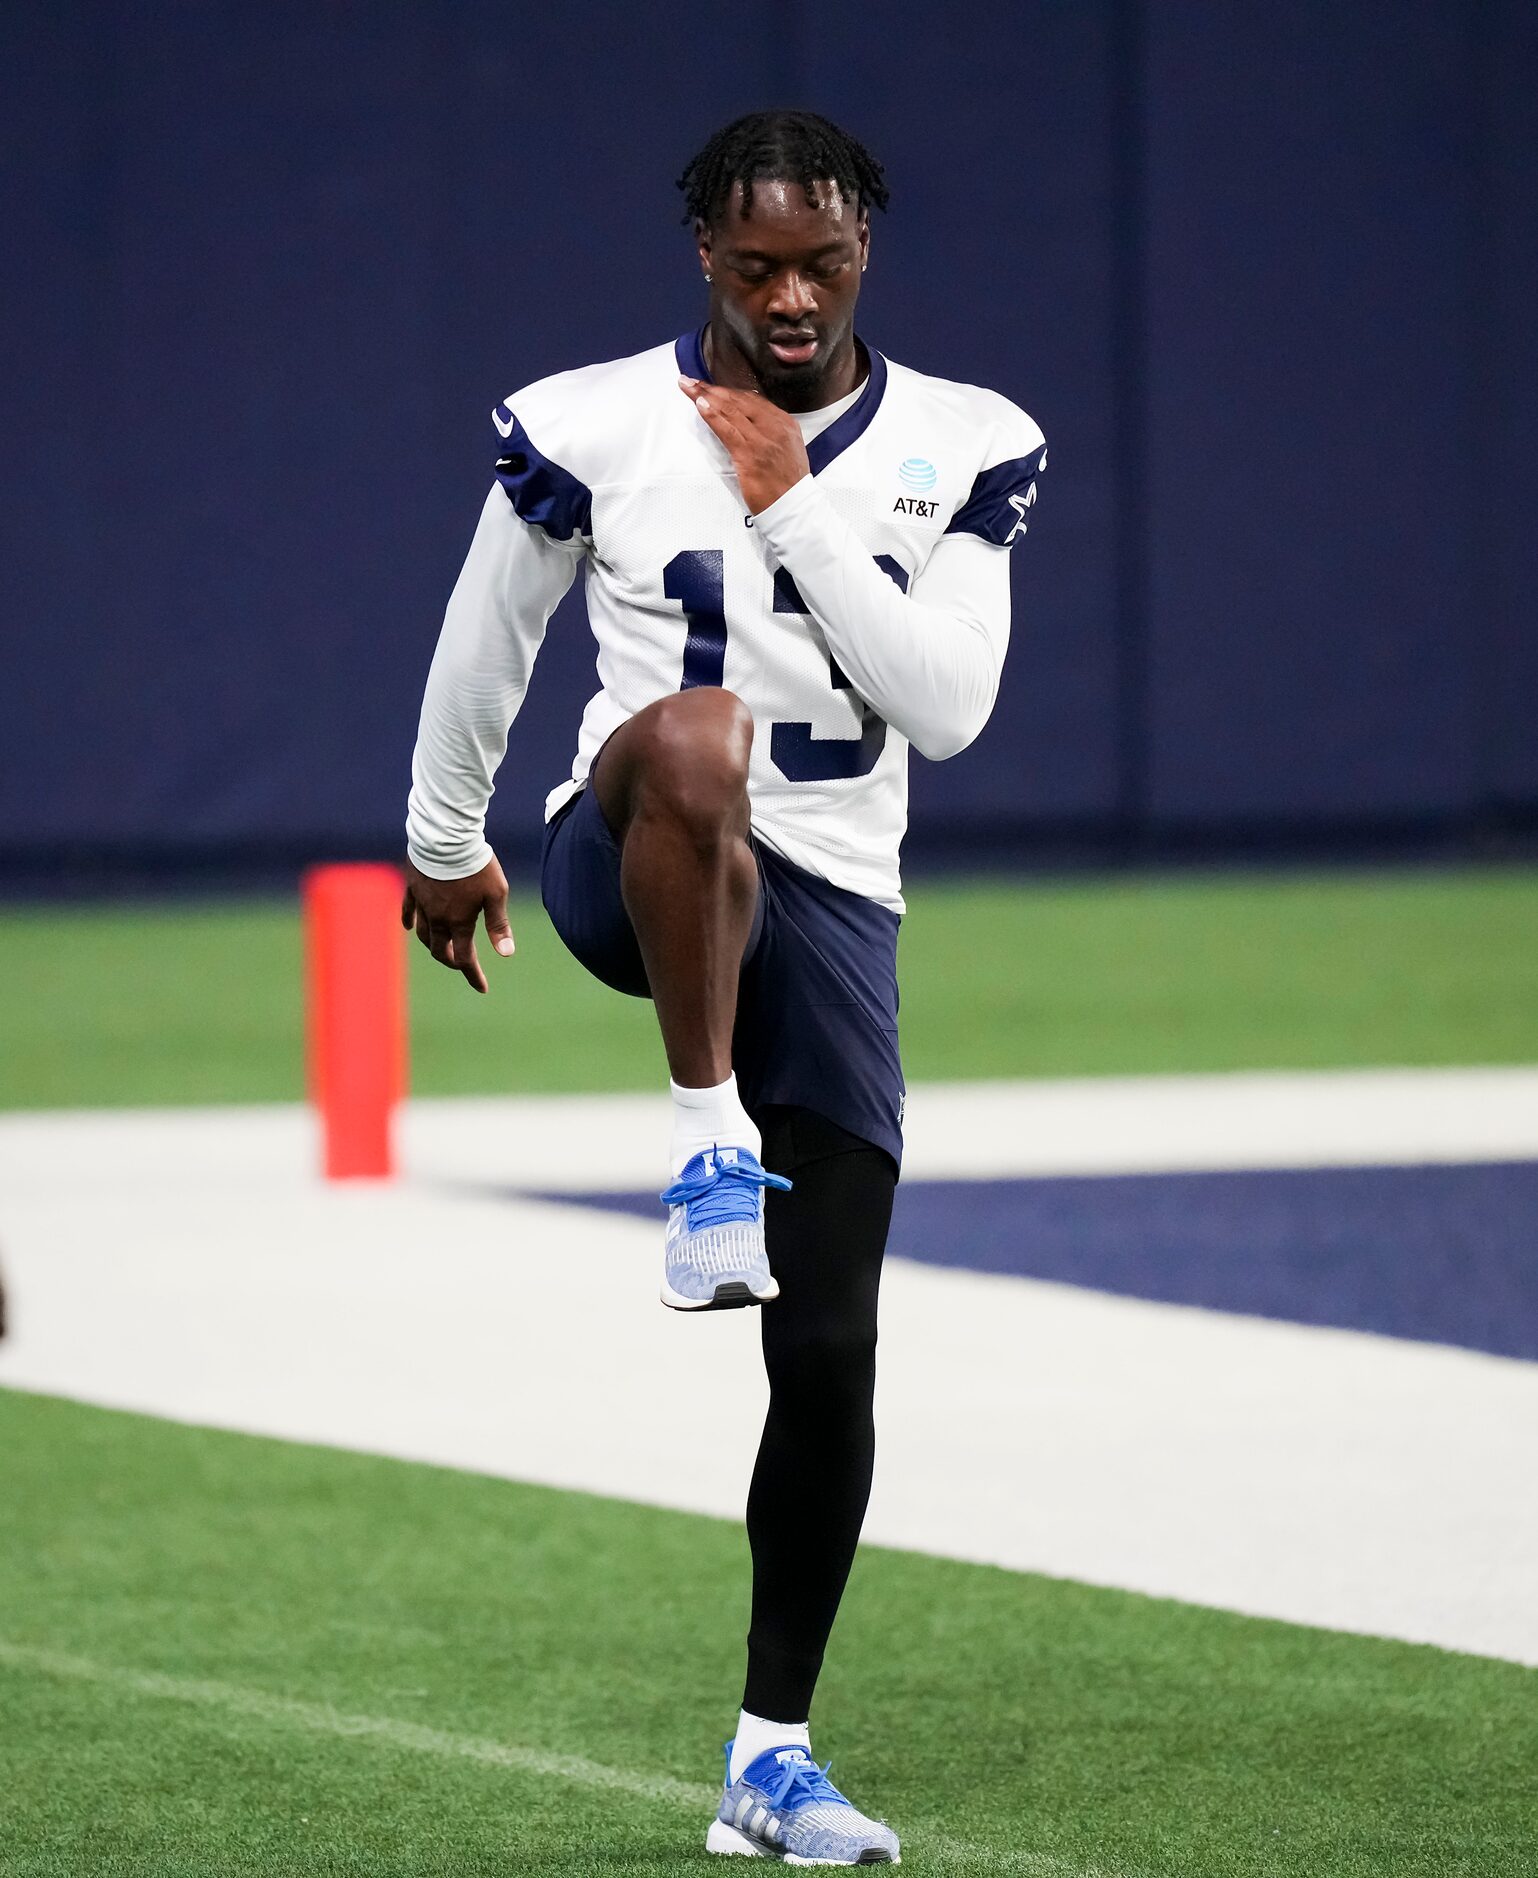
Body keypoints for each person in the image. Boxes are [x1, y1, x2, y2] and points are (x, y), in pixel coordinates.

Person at [402, 108, 1045, 1866]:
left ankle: (770, 1755)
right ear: (701, 248)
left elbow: (949, 706)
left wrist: (799, 498)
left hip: (831, 897)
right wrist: (442, 836)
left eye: (819, 263)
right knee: (695, 739)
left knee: (829, 1344)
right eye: (753, 260)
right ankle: (703, 1146)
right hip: (636, 856)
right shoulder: (594, 420)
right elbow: (491, 632)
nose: (786, 293)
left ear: (866, 257)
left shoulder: (960, 443)